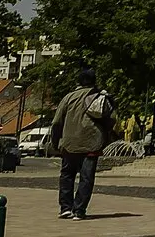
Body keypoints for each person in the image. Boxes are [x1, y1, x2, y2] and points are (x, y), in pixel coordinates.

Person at [48, 67, 115, 220]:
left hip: (70, 142)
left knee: (67, 175)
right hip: (92, 142)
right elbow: (111, 119)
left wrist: (55, 142)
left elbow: (56, 122)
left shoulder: (68, 98)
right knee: (86, 177)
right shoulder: (100, 97)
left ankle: (65, 207)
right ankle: (79, 210)